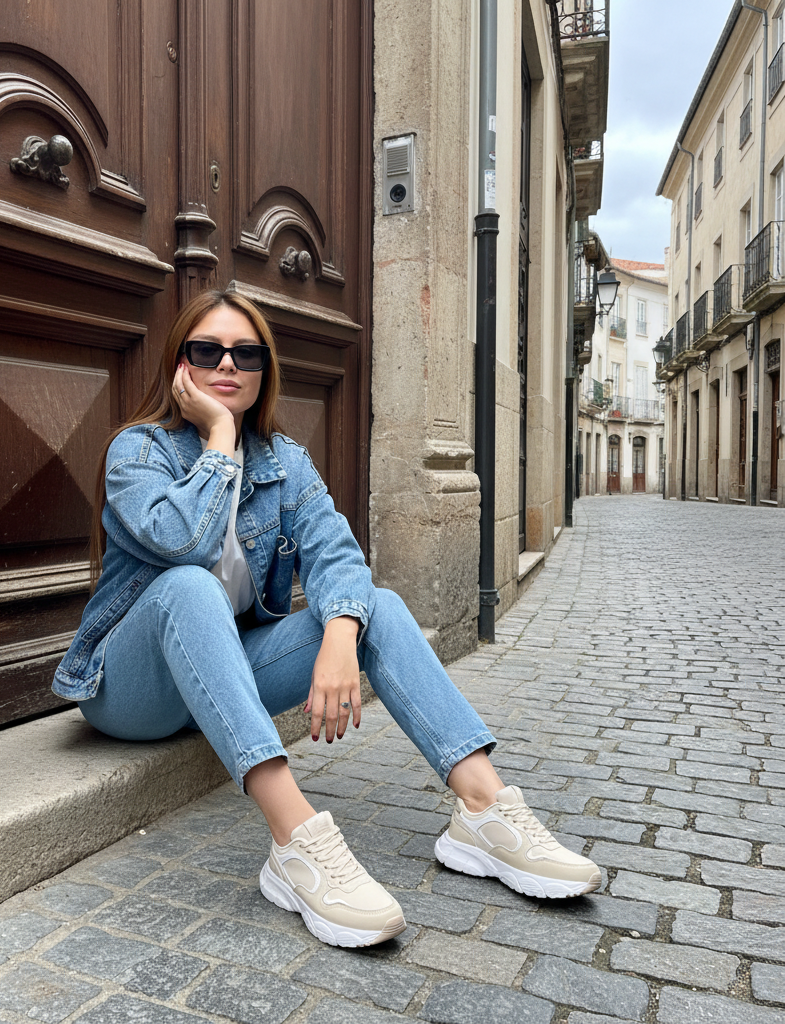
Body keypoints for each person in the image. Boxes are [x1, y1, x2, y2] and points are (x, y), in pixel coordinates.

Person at [53, 289, 600, 949]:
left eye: (246, 354)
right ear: (180, 364)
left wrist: (341, 635)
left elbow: (339, 557)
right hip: (129, 692)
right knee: (190, 586)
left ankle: (485, 811)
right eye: (207, 350)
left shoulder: (284, 462)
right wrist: (220, 439)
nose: (227, 364)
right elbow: (182, 542)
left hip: (222, 676)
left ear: (264, 370)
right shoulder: (138, 451)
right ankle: (296, 841)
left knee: (378, 608)